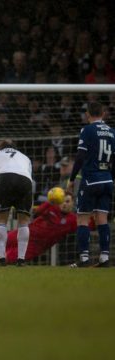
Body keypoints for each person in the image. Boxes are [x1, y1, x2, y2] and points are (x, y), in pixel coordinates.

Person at [66, 102, 115, 268]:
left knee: (82, 218)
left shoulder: (86, 130)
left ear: (88, 114)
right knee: (102, 218)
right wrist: (110, 178)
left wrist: (72, 179)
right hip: (107, 180)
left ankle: (85, 259)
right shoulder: (112, 132)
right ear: (103, 113)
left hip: (90, 180)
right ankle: (104, 258)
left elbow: (80, 157)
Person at [0, 139, 33, 266]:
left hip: (5, 178)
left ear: (0, 147)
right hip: (25, 181)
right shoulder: (25, 158)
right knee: (23, 222)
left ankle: (1, 259)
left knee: (1, 220)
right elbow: (30, 178)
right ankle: (21, 260)